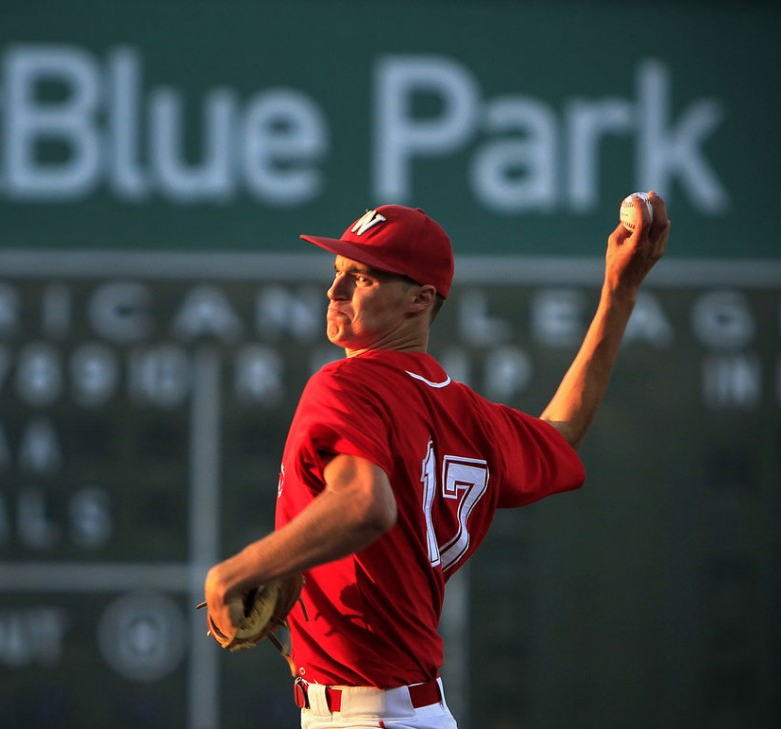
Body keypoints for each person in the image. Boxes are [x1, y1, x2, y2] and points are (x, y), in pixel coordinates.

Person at [203, 194, 670, 728]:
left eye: (363, 277)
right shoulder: (468, 413)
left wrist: (237, 571)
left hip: (365, 715)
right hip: (411, 712)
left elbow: (363, 505)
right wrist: (620, 291)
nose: (335, 290)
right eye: (338, 271)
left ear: (420, 299)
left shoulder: (345, 384)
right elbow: (559, 438)